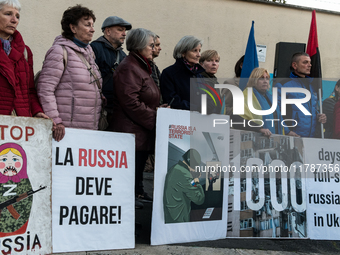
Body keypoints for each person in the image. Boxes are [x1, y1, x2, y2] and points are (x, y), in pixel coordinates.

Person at [112, 28, 167, 208]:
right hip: (131, 133)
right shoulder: (130, 67)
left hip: (140, 133)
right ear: (139, 46)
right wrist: (155, 115)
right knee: (128, 184)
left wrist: (158, 109)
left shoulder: (141, 67)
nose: (154, 49)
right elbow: (130, 101)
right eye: (151, 45)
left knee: (134, 182)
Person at [37, 5, 102, 142]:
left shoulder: (89, 53)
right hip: (65, 132)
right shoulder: (59, 51)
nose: (93, 29)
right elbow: (45, 89)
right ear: (73, 28)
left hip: (88, 131)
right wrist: (55, 120)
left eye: (92, 25)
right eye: (87, 25)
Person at [0, 0, 48, 119]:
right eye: (8, 14)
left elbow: (29, 90)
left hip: (19, 124)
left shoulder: (25, 52)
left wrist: (37, 111)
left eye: (17, 16)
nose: (14, 20)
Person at [91, 16, 131, 131]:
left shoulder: (123, 56)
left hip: (116, 111)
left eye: (125, 31)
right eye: (120, 30)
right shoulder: (94, 48)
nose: (124, 34)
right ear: (108, 31)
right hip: (98, 110)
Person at [275, 52, 326, 137]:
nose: (309, 65)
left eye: (310, 63)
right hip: (292, 137)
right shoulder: (283, 85)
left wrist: (318, 116)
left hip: (311, 138)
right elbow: (276, 112)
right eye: (305, 62)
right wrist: (287, 131)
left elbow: (311, 108)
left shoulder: (312, 86)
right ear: (295, 65)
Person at [160, 35, 205, 110]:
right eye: (195, 50)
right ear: (183, 52)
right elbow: (172, 100)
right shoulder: (169, 73)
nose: (199, 55)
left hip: (200, 119)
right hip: (179, 119)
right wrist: (197, 108)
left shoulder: (200, 75)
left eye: (199, 51)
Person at [238, 68, 284, 137]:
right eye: (261, 78)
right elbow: (238, 120)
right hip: (256, 139)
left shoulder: (270, 97)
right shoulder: (246, 96)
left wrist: (288, 132)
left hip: (274, 138)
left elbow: (278, 119)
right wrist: (259, 129)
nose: (265, 81)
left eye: (267, 78)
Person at [163, 149, 205, 223]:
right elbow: (199, 199)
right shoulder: (185, 175)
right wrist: (196, 181)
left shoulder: (175, 168)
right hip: (179, 219)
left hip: (171, 215)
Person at [199, 49, 221, 114]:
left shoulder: (215, 82)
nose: (214, 63)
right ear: (201, 64)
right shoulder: (198, 80)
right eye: (209, 60)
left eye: (217, 61)